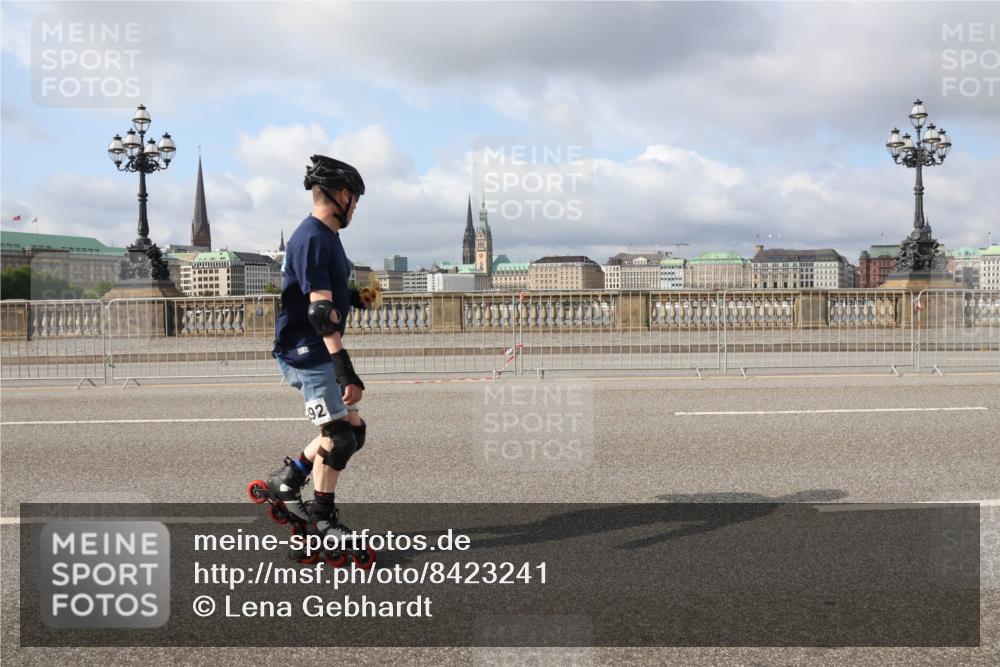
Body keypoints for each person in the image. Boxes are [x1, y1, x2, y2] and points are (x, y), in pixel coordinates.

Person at [252, 154, 374, 565]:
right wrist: (345, 369)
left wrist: (355, 297)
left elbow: (320, 290)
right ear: (343, 195)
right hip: (309, 352)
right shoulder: (312, 238)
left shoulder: (326, 237)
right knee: (339, 436)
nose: (355, 207)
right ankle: (323, 520)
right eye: (355, 199)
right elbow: (320, 312)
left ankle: (288, 481)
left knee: (352, 432)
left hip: (318, 349)